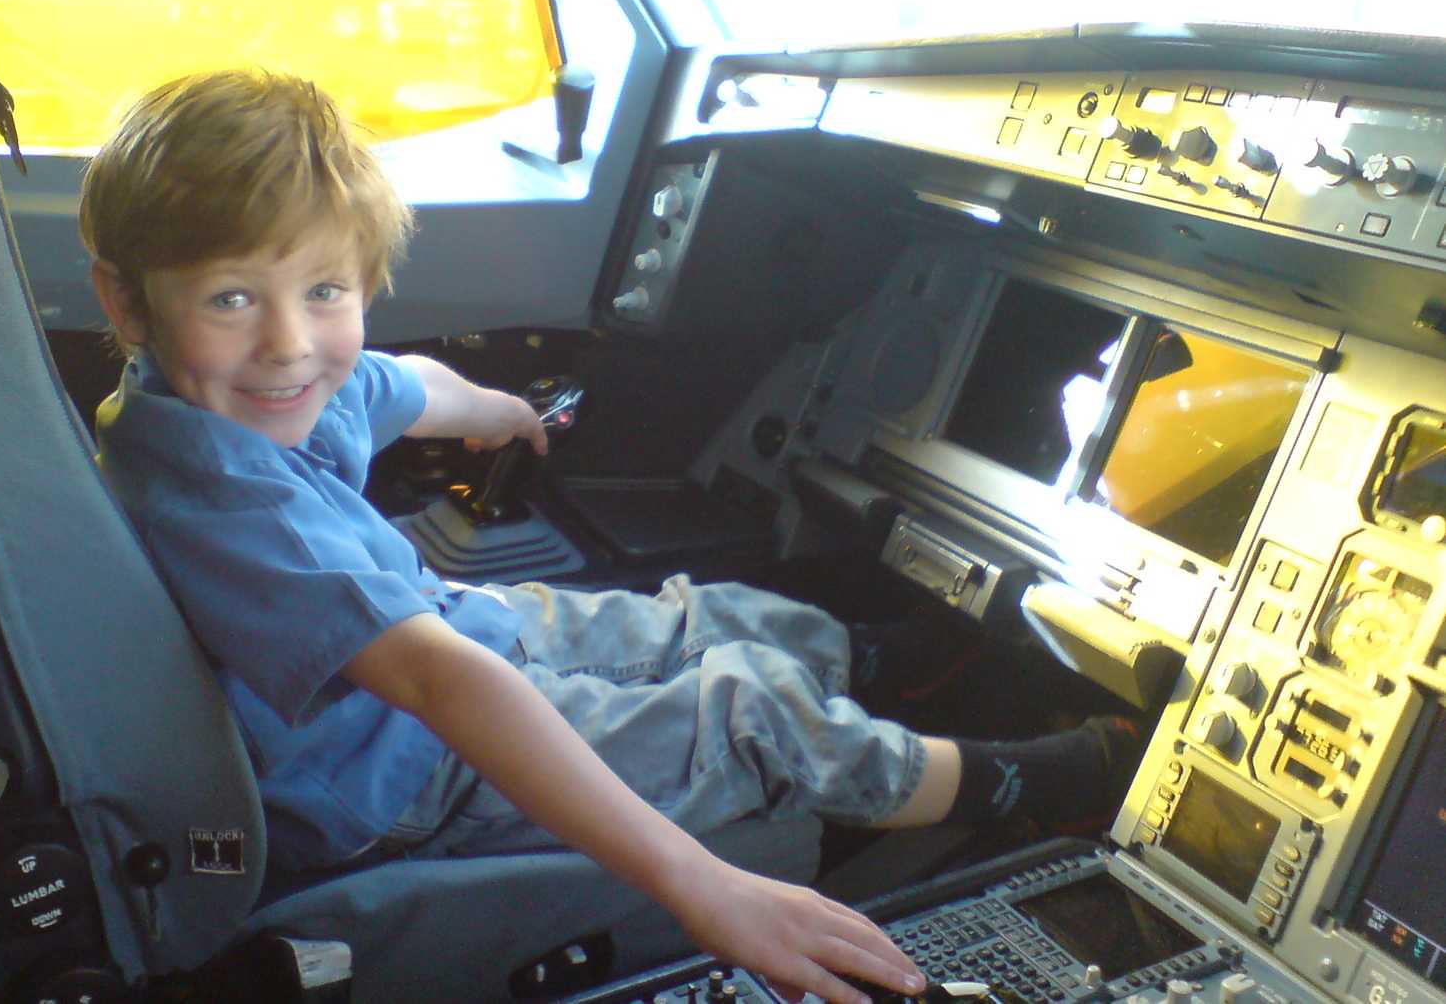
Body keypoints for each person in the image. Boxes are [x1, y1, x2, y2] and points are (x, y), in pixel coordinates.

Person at [80, 70, 1136, 1004]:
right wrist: (706, 884)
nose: (288, 342)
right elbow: (441, 685)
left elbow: (403, 386)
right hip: (389, 775)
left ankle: (890, 661)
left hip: (443, 634)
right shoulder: (218, 497)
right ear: (127, 305)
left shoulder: (258, 386)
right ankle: (1028, 780)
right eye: (231, 298)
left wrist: (502, 408)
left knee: (708, 615)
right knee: (752, 713)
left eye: (324, 291)